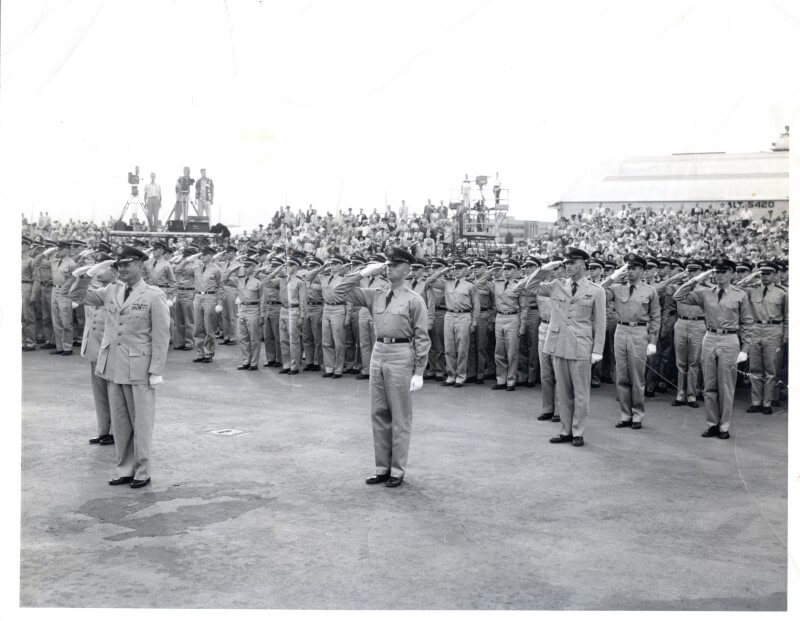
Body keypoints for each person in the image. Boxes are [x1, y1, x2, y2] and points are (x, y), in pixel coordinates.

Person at [69, 245, 170, 489]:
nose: (121, 269)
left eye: (126, 264)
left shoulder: (153, 295)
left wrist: (156, 370)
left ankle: (142, 472)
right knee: (121, 422)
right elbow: (77, 297)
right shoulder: (110, 290)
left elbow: (161, 335)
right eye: (119, 264)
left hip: (139, 367)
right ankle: (125, 469)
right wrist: (85, 275)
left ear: (140, 265)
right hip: (113, 366)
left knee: (141, 423)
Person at [335, 247, 430, 487]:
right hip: (378, 353)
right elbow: (339, 291)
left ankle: (397, 471)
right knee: (378, 413)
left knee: (400, 416)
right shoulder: (375, 294)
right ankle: (382, 468)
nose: (389, 268)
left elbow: (422, 337)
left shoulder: (414, 300)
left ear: (407, 269)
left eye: (394, 265)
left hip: (401, 354)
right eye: (387, 265)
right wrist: (363, 272)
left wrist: (419, 371)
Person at [528, 247, 606, 447]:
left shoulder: (596, 291)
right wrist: (545, 268)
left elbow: (600, 323)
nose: (568, 266)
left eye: (572, 262)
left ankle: (578, 431)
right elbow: (531, 287)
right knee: (562, 391)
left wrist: (597, 350)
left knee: (581, 392)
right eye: (566, 263)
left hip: (581, 345)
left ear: (582, 264)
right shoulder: (556, 285)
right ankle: (566, 430)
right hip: (558, 343)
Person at [672, 258, 754, 439]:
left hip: (730, 338)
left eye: (723, 271)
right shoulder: (704, 293)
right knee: (709, 384)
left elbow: (747, 323)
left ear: (732, 273)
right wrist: (697, 278)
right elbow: (678, 296)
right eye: (716, 272)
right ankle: (712, 424)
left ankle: (724, 426)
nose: (719, 275)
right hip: (709, 337)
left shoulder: (740, 295)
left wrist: (745, 349)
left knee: (726, 385)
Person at [602, 253, 661, 429]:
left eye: (634, 268)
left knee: (637, 376)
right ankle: (625, 414)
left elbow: (656, 317)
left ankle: (637, 415)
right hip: (621, 330)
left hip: (639, 331)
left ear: (643, 270)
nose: (630, 271)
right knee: (621, 376)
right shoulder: (616, 288)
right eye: (628, 268)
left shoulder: (650, 291)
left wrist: (653, 341)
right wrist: (612, 277)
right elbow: (597, 291)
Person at [69, 252, 118, 445]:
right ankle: (103, 430)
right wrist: (90, 271)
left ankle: (116, 431)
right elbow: (74, 289)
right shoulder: (95, 288)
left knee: (114, 393)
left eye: (101, 268)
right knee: (99, 394)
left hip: (110, 348)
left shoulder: (117, 290)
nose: (96, 271)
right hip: (93, 347)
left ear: (114, 271)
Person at [742, 261, 787, 415]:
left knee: (771, 369)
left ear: (775, 275)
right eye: (762, 273)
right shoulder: (752, 290)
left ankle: (767, 403)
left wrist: (785, 335)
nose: (765, 276)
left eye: (768, 273)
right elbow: (736, 288)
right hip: (755, 328)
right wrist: (752, 276)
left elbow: (788, 316)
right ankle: (756, 402)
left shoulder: (782, 292)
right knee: (754, 368)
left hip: (774, 329)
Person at [179, 246, 224, 363]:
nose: (201, 256)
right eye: (201, 255)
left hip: (210, 296)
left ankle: (208, 353)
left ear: (210, 256)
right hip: (198, 296)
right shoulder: (196, 268)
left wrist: (220, 303)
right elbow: (178, 270)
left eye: (204, 255)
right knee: (198, 327)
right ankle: (200, 353)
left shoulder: (216, 269)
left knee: (209, 327)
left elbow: (221, 287)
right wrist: (188, 260)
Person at [227, 256, 264, 371]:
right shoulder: (239, 280)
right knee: (243, 338)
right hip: (242, 309)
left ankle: (254, 363)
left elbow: (262, 300)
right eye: (244, 266)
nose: (245, 269)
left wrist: (262, 315)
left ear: (253, 267)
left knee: (254, 339)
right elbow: (223, 279)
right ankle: (246, 361)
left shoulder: (258, 282)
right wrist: (234, 268)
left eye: (248, 266)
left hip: (254, 310)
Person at [49, 241, 78, 355]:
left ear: (67, 249)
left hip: (65, 291)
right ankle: (59, 347)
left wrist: (66, 290)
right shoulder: (55, 261)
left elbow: (74, 279)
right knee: (56, 320)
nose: (58, 251)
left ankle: (67, 347)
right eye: (57, 249)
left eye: (60, 249)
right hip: (54, 289)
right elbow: (40, 260)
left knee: (66, 320)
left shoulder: (71, 263)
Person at [22, 236, 37, 351]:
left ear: (27, 246)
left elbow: (36, 279)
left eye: (22, 244)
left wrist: (33, 294)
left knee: (28, 316)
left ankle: (30, 342)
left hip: (27, 286)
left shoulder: (31, 260)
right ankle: (22, 341)